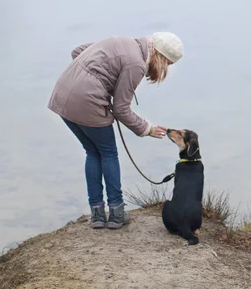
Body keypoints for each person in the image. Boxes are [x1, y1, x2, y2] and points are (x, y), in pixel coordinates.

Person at [47, 32, 184, 229]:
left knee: (92, 152)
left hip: (62, 96)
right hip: (88, 102)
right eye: (168, 64)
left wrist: (94, 79)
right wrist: (148, 129)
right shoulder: (137, 64)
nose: (167, 69)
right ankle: (116, 213)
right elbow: (121, 109)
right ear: (161, 57)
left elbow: (77, 51)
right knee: (108, 153)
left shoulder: (122, 41)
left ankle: (96, 215)